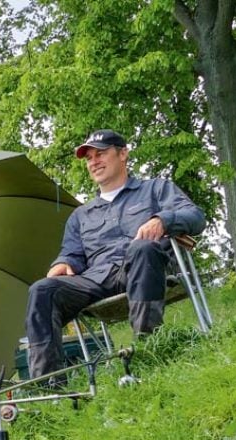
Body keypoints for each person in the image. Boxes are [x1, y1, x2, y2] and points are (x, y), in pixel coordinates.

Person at [25, 129, 205, 380]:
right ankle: (49, 386)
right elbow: (72, 254)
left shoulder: (156, 189)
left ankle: (148, 350)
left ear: (123, 154)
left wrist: (162, 220)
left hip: (145, 268)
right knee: (42, 290)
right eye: (89, 158)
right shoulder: (81, 215)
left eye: (100, 153)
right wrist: (63, 263)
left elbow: (196, 217)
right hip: (97, 280)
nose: (94, 162)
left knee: (142, 247)